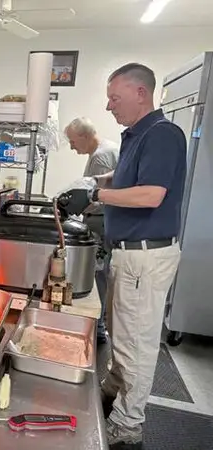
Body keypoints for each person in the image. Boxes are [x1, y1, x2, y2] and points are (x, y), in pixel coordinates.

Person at [58, 63, 186, 449]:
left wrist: (95, 196)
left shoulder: (162, 134)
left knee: (137, 344)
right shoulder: (135, 135)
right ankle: (113, 390)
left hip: (146, 256)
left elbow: (151, 194)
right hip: (127, 254)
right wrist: (89, 183)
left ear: (140, 93)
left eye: (115, 98)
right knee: (120, 333)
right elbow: (124, 178)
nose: (108, 106)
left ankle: (128, 424)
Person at [65, 117, 119, 345]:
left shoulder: (101, 157)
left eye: (72, 141)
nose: (71, 147)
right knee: (100, 273)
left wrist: (70, 206)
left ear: (85, 136)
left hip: (101, 222)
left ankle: (97, 328)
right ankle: (99, 325)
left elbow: (99, 196)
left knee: (97, 274)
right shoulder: (104, 150)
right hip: (105, 220)